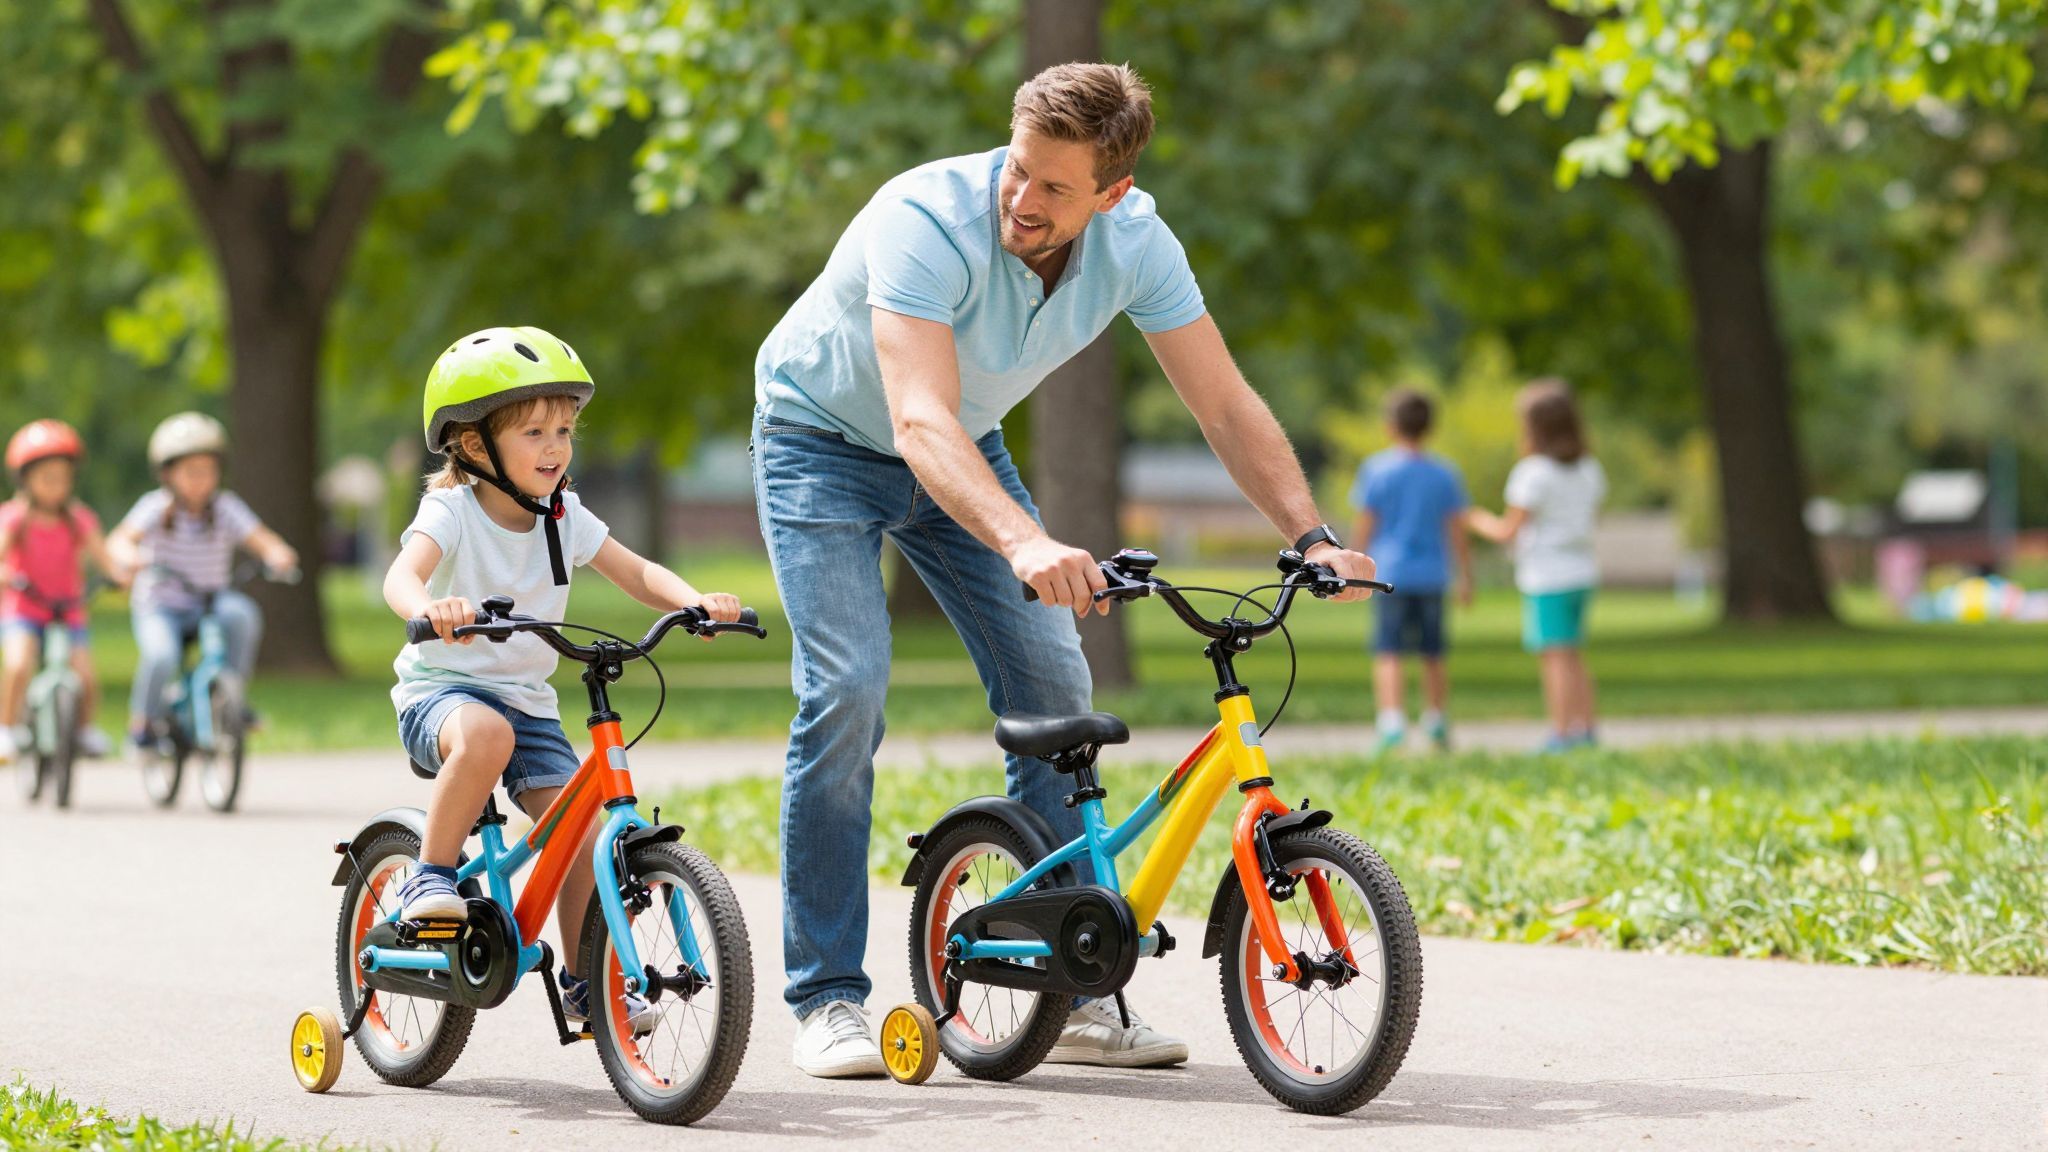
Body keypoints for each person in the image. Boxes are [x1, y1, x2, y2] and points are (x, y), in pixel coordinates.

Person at [752, 61, 1379, 1077]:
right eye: (1017, 168)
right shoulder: (922, 218)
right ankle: (826, 998)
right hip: (820, 442)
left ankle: (1068, 987)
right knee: (847, 688)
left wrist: (1311, 536)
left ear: (1112, 193)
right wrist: (1024, 541)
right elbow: (917, 417)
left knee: (1056, 687)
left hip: (964, 446)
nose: (1021, 198)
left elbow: (1223, 405)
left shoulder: (1140, 246)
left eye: (1054, 186)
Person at [386, 325, 742, 1033]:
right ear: (474, 445)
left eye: (565, 431)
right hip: (442, 695)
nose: (555, 447)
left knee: (582, 832)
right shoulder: (452, 511)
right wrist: (430, 609)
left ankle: (586, 983)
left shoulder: (564, 516)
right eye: (534, 432)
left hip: (528, 704)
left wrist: (692, 602)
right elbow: (402, 576)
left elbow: (636, 571)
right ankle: (430, 875)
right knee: (486, 735)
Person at [106, 412, 298, 761]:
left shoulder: (226, 508)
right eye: (191, 472)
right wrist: (128, 556)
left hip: (208, 602)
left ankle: (231, 697)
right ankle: (142, 725)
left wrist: (277, 552)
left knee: (242, 615)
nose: (200, 480)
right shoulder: (154, 507)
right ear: (168, 474)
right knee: (161, 656)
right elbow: (119, 539)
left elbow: (260, 537)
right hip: (160, 605)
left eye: (208, 471)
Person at [1469, 379, 1605, 751]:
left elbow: (1507, 531)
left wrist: (1474, 519)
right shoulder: (1589, 468)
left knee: (1554, 658)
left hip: (1548, 576)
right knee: (1573, 654)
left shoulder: (1533, 473)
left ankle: (1560, 733)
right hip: (1582, 572)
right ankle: (1586, 729)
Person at [1349, 389, 1471, 753]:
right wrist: (1466, 575)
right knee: (1433, 651)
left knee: (1389, 650)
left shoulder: (1377, 470)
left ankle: (1392, 722)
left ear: (1390, 425)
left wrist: (1352, 568)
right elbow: (1456, 530)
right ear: (1430, 426)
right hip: (1433, 574)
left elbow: (1366, 524)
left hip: (1390, 574)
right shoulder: (1445, 473)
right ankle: (1436, 719)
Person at [0, 420, 126, 761]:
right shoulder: (15, 518)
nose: (56, 486)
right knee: (18, 663)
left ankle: (83, 730)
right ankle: (6, 728)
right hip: (24, 607)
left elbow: (103, 556)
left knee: (85, 675)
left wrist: (117, 574)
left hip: (67, 609)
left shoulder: (78, 519)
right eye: (47, 478)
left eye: (63, 478)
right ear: (25, 480)